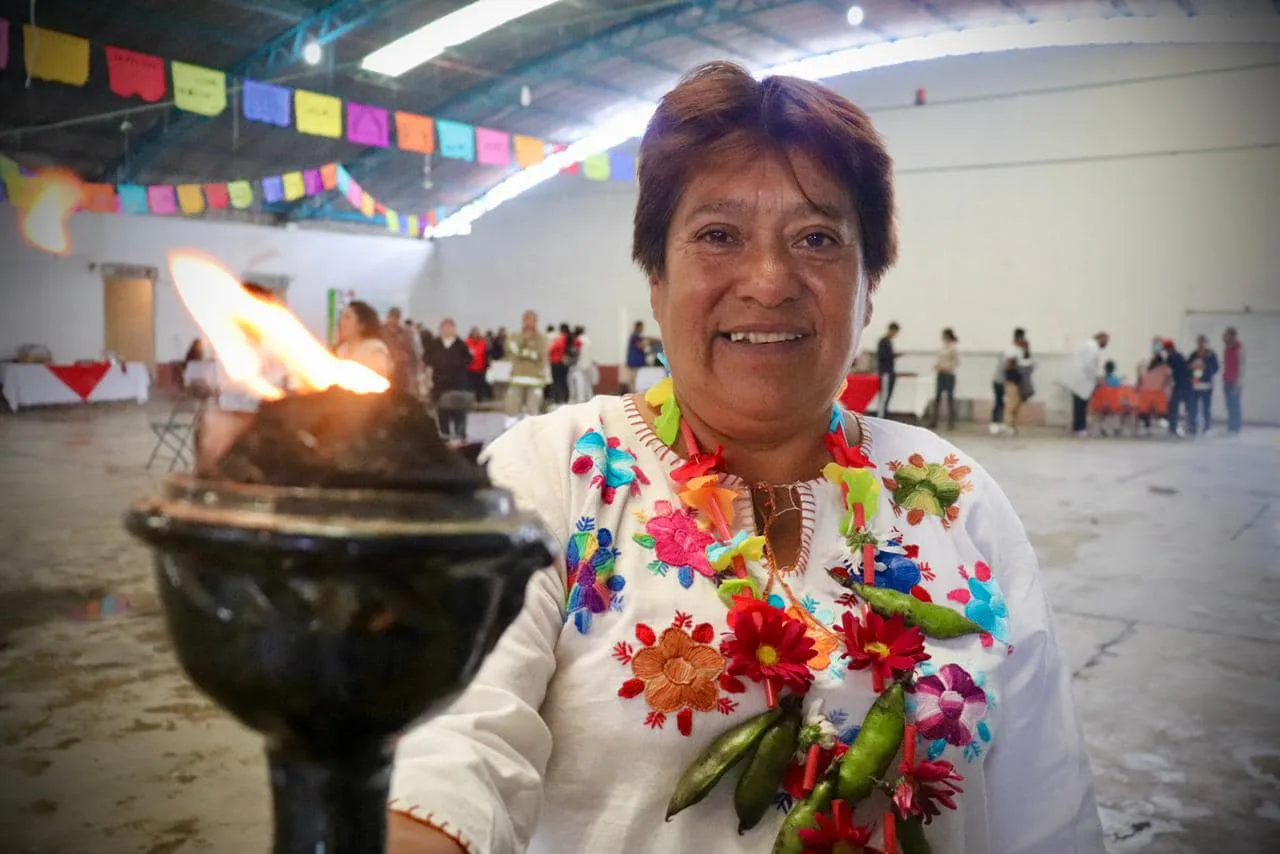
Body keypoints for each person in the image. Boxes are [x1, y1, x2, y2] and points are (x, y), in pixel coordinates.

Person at [389, 61, 1103, 854]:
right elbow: (449, 748)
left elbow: (1046, 806)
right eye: (718, 236)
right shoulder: (551, 472)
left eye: (817, 239)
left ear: (870, 285)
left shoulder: (953, 498)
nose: (768, 281)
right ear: (656, 278)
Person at [426, 318, 474, 441]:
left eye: (450, 328)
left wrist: (457, 364)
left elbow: (468, 360)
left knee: (459, 412)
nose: (447, 330)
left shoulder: (460, 344)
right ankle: (445, 437)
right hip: (440, 385)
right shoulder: (434, 344)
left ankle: (460, 436)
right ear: (441, 329)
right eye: (445, 328)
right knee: (442, 413)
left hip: (457, 385)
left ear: (454, 329)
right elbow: (427, 359)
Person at [505, 310, 548, 422]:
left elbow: (542, 356)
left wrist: (524, 353)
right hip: (517, 377)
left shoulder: (541, 338)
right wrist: (528, 353)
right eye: (527, 319)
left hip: (535, 378)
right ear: (523, 321)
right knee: (512, 407)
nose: (530, 322)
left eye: (533, 320)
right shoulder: (515, 336)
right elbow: (511, 351)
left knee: (532, 410)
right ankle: (510, 432)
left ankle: (531, 434)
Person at [1064, 332, 1109, 437]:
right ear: (1101, 338)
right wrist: (1098, 376)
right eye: (1106, 341)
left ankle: (1078, 428)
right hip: (1082, 380)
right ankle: (1080, 428)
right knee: (1080, 405)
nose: (1106, 343)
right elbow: (1090, 365)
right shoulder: (1092, 347)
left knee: (1079, 405)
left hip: (1080, 380)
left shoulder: (1088, 345)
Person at [335, 300, 393, 378]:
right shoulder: (341, 350)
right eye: (341, 317)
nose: (341, 322)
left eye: (347, 317)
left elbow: (378, 382)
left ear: (362, 325)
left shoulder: (375, 349)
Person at [1187, 334, 1219, 437]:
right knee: (1193, 407)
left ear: (1206, 343)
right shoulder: (1193, 355)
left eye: (1203, 342)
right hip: (1195, 385)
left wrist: (1205, 366)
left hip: (1206, 385)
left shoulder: (1211, 355)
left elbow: (1215, 368)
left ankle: (1207, 428)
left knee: (1206, 408)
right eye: (1199, 342)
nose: (1201, 345)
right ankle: (1192, 427)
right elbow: (1187, 367)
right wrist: (1192, 366)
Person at [1003, 334, 1034, 437]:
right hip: (1012, 381)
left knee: (1017, 404)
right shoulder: (1012, 351)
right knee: (1011, 404)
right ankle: (1009, 426)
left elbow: (1028, 364)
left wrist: (1026, 350)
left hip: (1020, 382)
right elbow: (1010, 365)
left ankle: (1014, 425)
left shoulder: (1023, 352)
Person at [929, 327, 959, 431]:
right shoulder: (943, 347)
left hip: (948, 374)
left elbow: (955, 363)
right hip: (940, 374)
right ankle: (934, 421)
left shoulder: (953, 348)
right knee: (937, 398)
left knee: (950, 398)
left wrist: (945, 367)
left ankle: (951, 422)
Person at [384, 308, 419, 393]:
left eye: (396, 317)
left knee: (402, 394)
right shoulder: (380, 332)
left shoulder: (405, 333)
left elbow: (411, 351)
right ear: (388, 317)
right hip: (384, 370)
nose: (394, 320)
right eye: (392, 317)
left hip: (401, 371)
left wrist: (412, 361)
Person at [1163, 339, 1192, 438]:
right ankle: (1190, 427)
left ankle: (1173, 427)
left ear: (1168, 349)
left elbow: (1168, 373)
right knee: (1188, 406)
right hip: (1187, 383)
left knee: (1173, 405)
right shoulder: (1179, 355)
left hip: (1180, 383)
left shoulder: (1170, 358)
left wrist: (1164, 383)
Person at [1222, 327, 1244, 435]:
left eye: (1227, 335)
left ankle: (1236, 427)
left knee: (1235, 405)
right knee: (1229, 405)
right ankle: (1231, 426)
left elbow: (1241, 366)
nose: (1225, 337)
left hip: (1235, 382)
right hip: (1227, 380)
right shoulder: (1227, 347)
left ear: (1233, 336)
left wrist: (1238, 382)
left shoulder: (1239, 348)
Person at [875, 321, 899, 418]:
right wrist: (893, 355)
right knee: (884, 395)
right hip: (885, 372)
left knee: (888, 395)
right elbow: (883, 356)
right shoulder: (883, 341)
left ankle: (884, 413)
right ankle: (881, 415)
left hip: (890, 372)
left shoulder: (889, 341)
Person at [568, 325, 597, 404]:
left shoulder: (578, 340)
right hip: (589, 364)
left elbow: (576, 352)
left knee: (579, 382)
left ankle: (581, 400)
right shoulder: (588, 339)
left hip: (580, 364)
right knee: (588, 383)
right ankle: (590, 398)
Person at [620, 321, 649, 393]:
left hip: (634, 361)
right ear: (639, 327)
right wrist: (648, 343)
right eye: (642, 327)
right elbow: (640, 346)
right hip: (634, 362)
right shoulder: (635, 336)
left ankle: (632, 393)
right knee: (633, 380)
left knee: (633, 380)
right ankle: (632, 393)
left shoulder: (635, 336)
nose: (643, 329)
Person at [466, 326, 490, 401]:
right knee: (469, 385)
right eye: (474, 332)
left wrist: (487, 365)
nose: (475, 334)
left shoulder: (483, 343)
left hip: (481, 368)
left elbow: (486, 354)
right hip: (470, 368)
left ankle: (479, 399)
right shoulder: (467, 342)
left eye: (477, 333)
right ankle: (469, 400)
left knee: (480, 385)